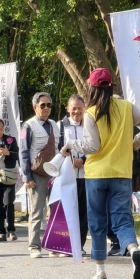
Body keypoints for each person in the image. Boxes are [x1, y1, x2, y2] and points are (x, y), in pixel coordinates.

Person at [62, 68, 140, 279]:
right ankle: (133, 249)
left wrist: (71, 144)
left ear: (92, 88)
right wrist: (134, 144)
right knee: (122, 218)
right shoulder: (126, 107)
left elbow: (92, 146)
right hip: (122, 173)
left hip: (96, 175)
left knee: (97, 221)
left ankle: (100, 272)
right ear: (111, 86)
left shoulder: (91, 113)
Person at [20, 92, 59, 258]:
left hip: (55, 173)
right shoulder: (28, 126)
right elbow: (23, 152)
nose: (46, 108)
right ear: (35, 107)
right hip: (37, 174)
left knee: (55, 210)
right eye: (42, 105)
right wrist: (27, 177)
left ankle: (54, 245)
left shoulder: (55, 125)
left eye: (49, 105)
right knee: (37, 212)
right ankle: (34, 246)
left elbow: (59, 148)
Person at [58, 95, 89, 252]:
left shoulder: (90, 125)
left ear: (85, 109)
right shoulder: (60, 126)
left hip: (85, 175)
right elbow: (57, 148)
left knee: (83, 212)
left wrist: (82, 160)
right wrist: (70, 160)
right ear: (68, 109)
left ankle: (79, 246)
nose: (76, 111)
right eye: (73, 108)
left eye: (79, 108)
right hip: (66, 176)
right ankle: (65, 244)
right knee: (67, 211)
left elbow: (94, 146)